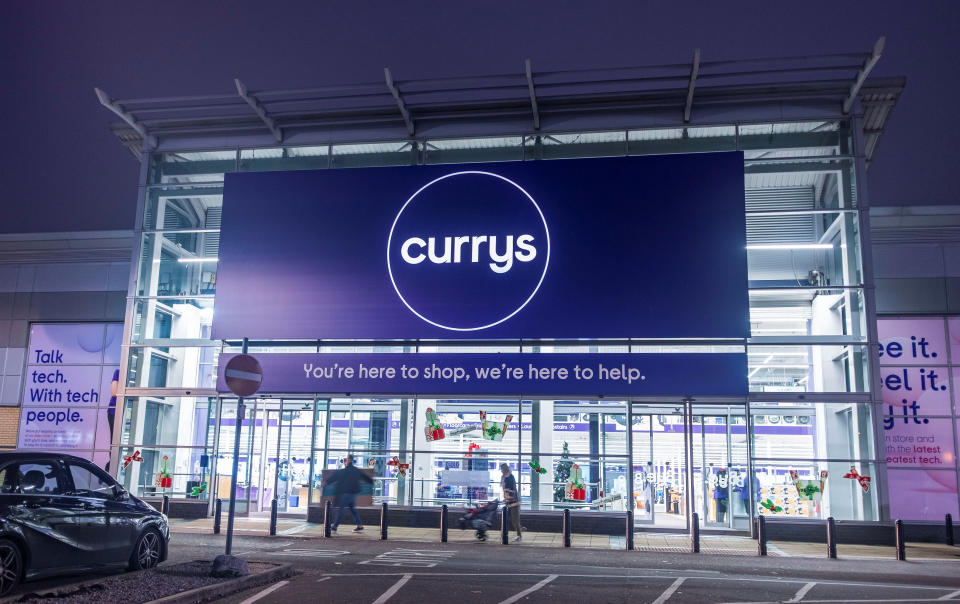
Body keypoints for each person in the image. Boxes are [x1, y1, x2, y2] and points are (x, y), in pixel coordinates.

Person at [325, 454, 374, 533]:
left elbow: (335, 476)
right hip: (353, 494)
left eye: (346, 459)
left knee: (340, 509)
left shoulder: (344, 471)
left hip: (346, 493)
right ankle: (359, 525)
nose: (346, 461)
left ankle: (334, 527)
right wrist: (371, 481)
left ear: (348, 460)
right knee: (352, 509)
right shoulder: (356, 470)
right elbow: (365, 477)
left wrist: (327, 482)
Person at [499, 463, 522, 542]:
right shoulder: (503, 477)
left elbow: (513, 489)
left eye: (502, 469)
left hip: (514, 501)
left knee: (515, 519)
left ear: (505, 469)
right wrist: (505, 496)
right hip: (507, 500)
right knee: (509, 519)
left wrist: (508, 492)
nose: (501, 471)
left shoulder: (511, 477)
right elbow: (503, 487)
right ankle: (515, 531)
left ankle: (519, 535)